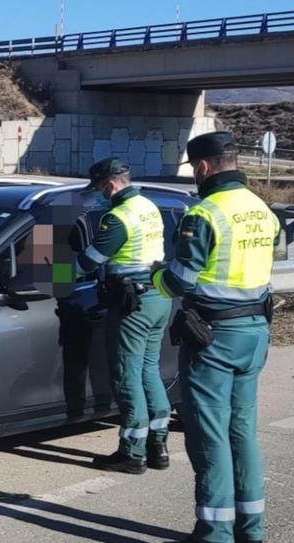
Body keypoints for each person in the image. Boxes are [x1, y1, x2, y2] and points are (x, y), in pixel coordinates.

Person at [152, 131, 282, 543]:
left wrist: (153, 276)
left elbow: (178, 281)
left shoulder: (205, 214)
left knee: (208, 437)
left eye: (194, 169)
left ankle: (213, 537)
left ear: (204, 166)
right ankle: (252, 531)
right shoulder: (261, 210)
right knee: (242, 432)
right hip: (255, 332)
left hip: (214, 337)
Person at [71, 158, 172, 474]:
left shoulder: (118, 218)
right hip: (158, 296)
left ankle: (132, 452)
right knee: (149, 370)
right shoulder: (148, 206)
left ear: (110, 185)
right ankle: (159, 446)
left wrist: (55, 263)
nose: (99, 196)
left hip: (131, 302)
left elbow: (88, 263)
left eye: (99, 189)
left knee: (127, 375)